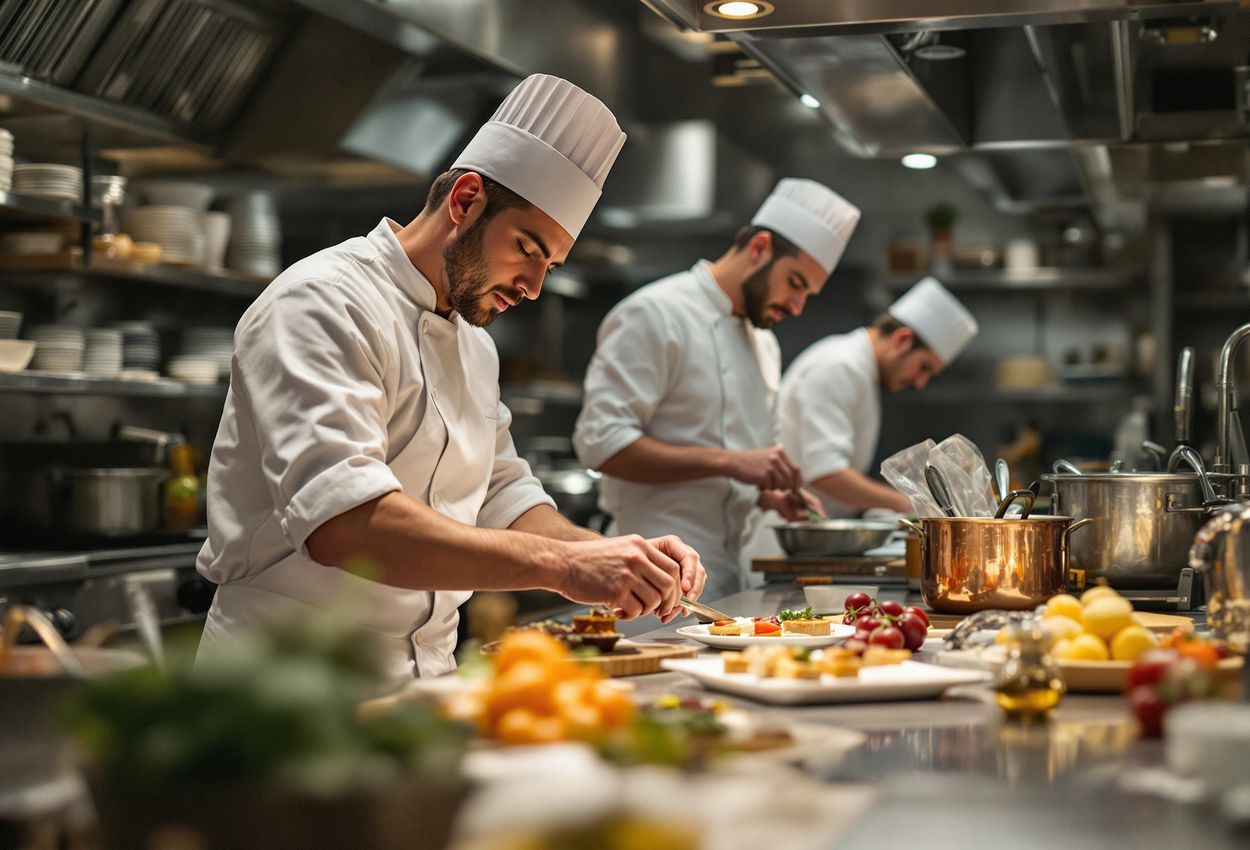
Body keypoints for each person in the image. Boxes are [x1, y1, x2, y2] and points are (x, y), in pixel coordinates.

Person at [196, 75, 706, 684]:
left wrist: (618, 559)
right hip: (289, 685)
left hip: (426, 681)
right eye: (526, 248)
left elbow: (500, 494)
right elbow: (344, 525)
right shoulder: (322, 303)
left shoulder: (474, 345)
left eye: (550, 265)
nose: (534, 286)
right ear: (465, 202)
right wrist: (564, 566)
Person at [573, 179, 861, 601]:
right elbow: (601, 445)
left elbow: (741, 461)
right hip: (653, 578)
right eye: (795, 283)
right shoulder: (654, 313)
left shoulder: (764, 343)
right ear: (760, 248)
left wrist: (770, 495)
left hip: (731, 577)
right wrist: (731, 462)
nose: (797, 307)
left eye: (808, 294)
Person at [776, 276, 979, 519]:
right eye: (924, 367)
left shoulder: (861, 371)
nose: (920, 383)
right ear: (902, 340)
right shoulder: (841, 366)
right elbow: (827, 473)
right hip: (788, 535)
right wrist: (912, 504)